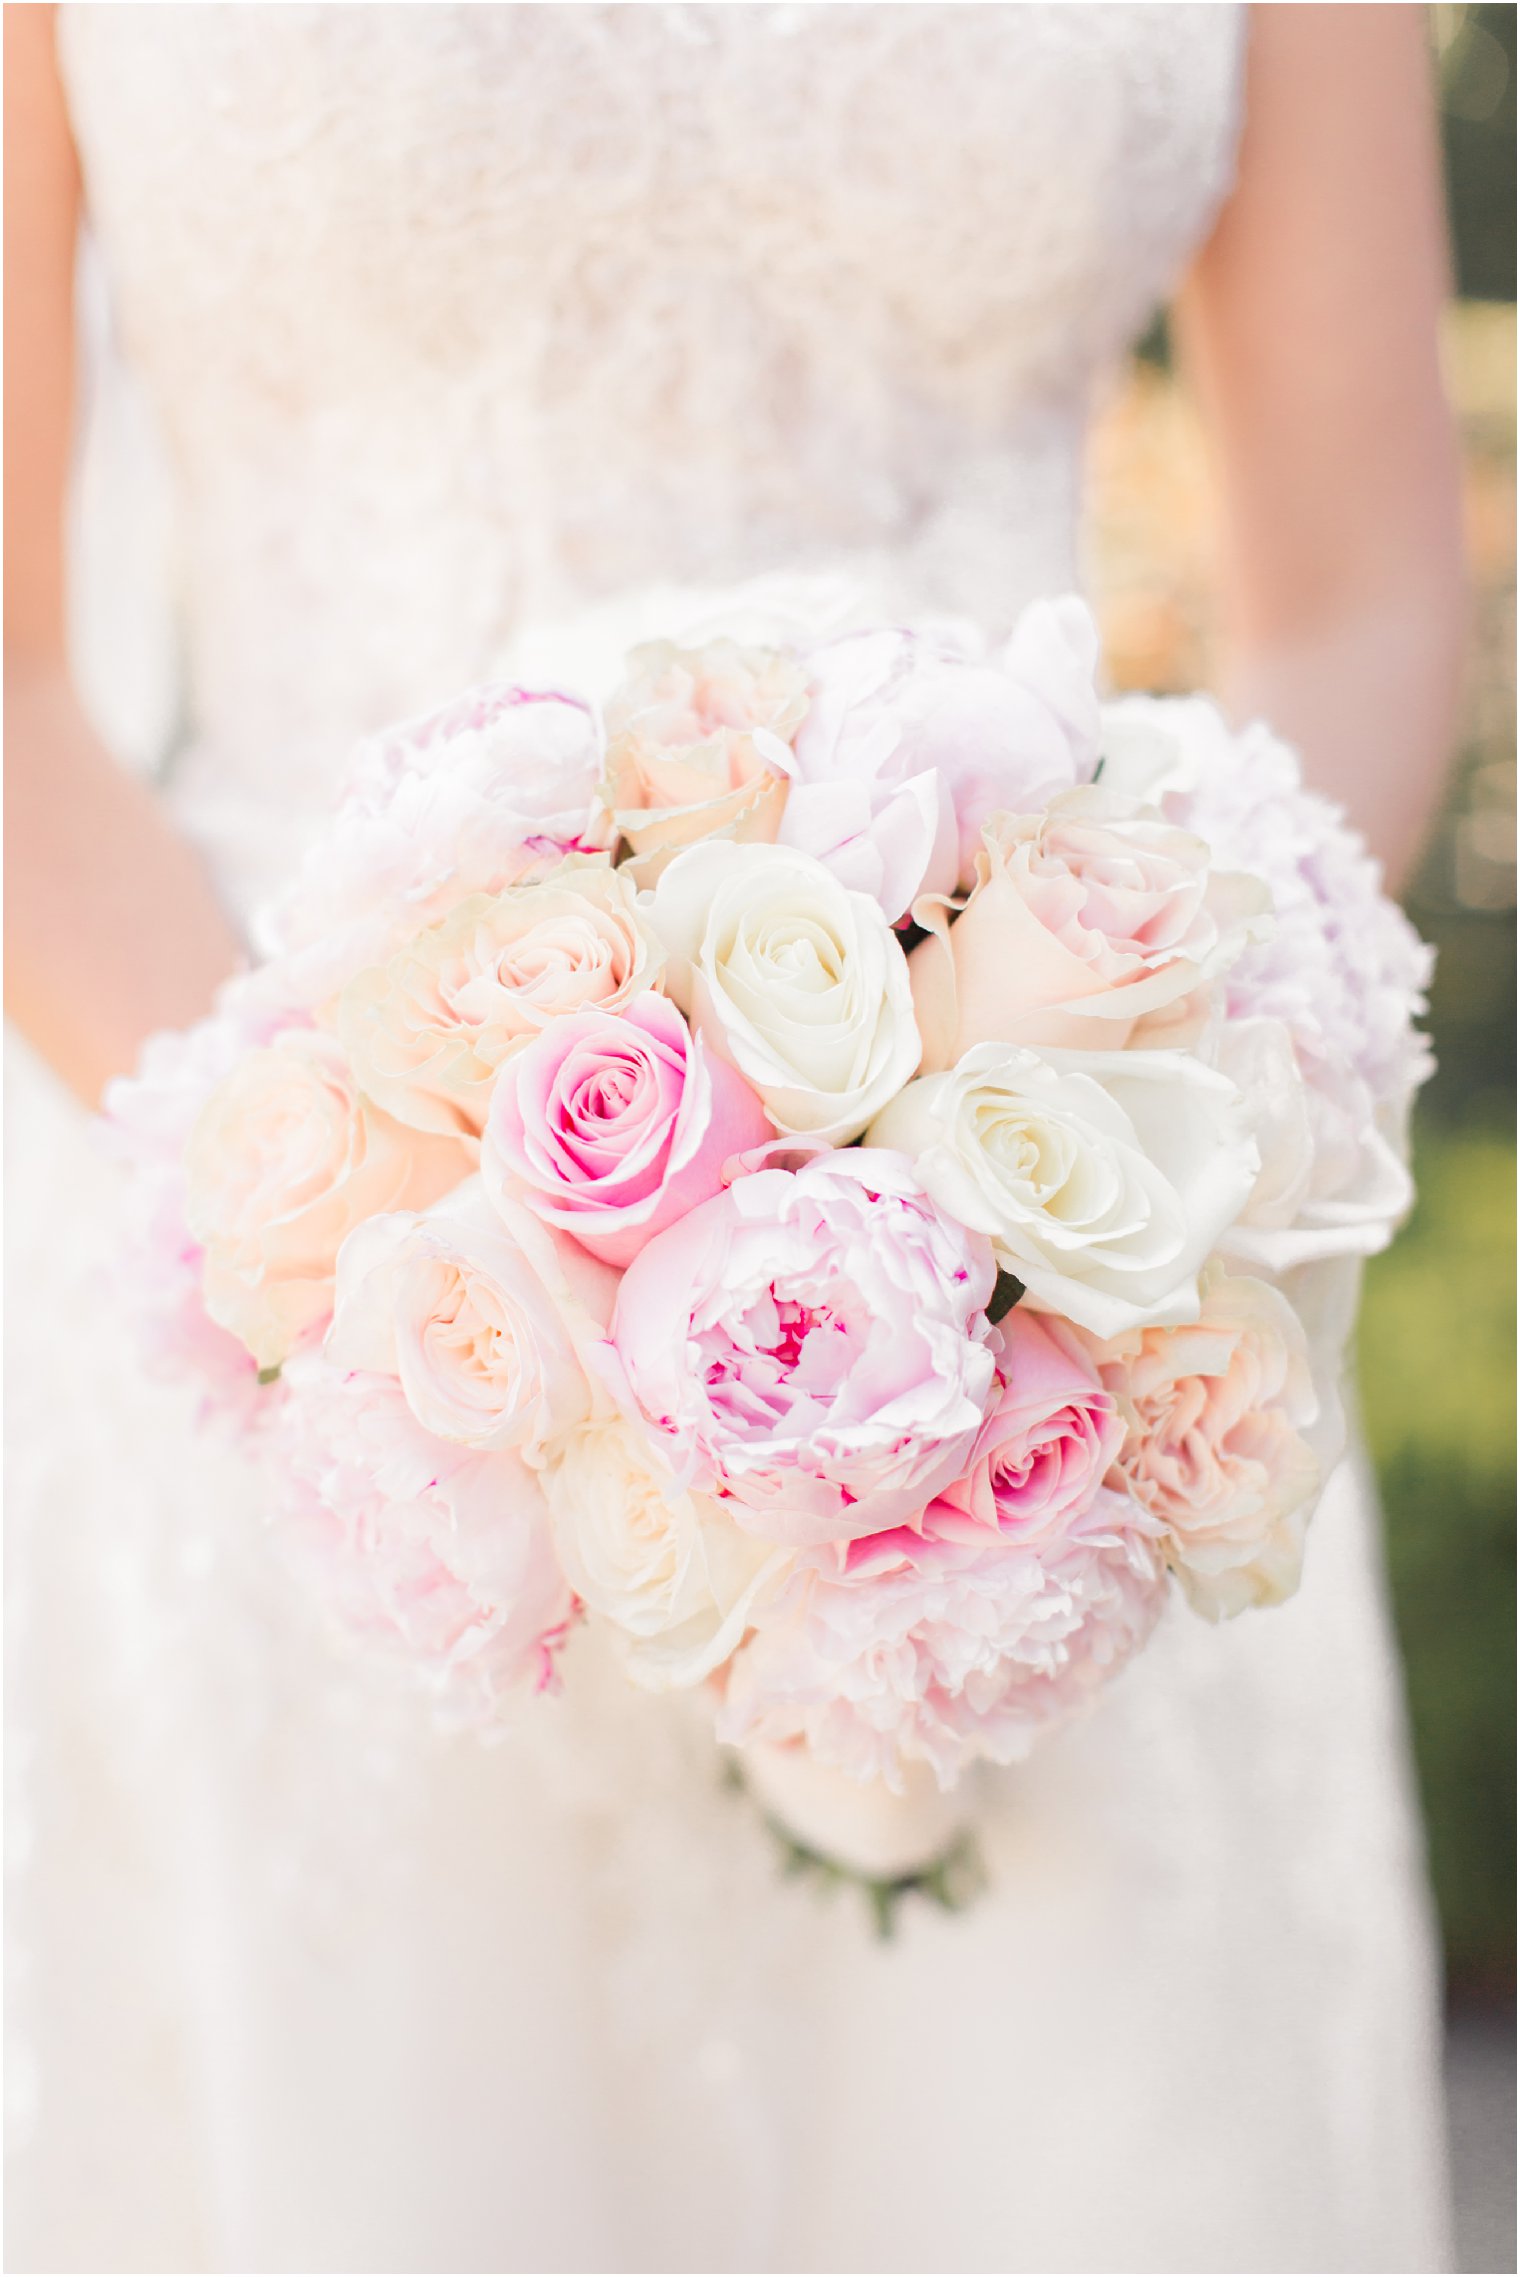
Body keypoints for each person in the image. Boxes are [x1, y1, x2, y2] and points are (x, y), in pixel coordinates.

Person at [5, 6, 1464, 2270]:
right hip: (300, 1301)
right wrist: (397, 1286)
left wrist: (1087, 1209)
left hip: (1060, 1364)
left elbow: (1359, 596)